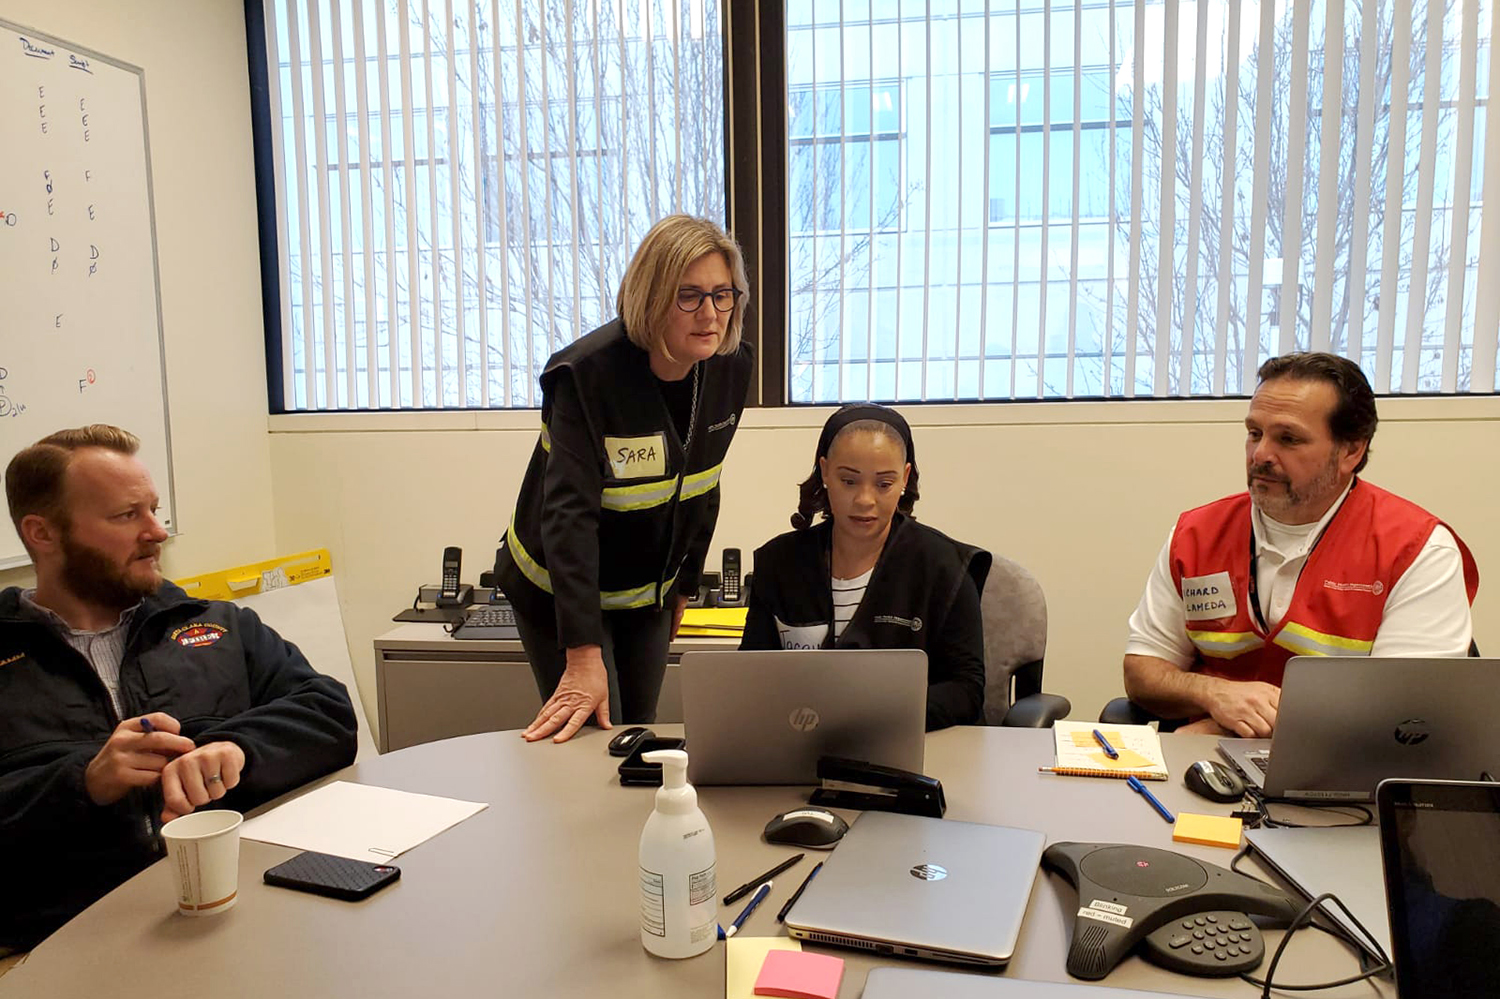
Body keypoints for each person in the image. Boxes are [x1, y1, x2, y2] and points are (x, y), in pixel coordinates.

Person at [0, 425, 359, 950]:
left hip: (254, 913)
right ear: (43, 533)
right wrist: (84, 782)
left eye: (155, 509)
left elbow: (329, 716)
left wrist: (234, 749)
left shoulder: (218, 625)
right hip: (64, 943)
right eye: (127, 515)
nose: (157, 532)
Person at [494, 214, 755, 744]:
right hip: (559, 589)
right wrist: (583, 653)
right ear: (652, 294)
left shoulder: (729, 366)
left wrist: (686, 585)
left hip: (647, 591)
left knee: (639, 733)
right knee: (591, 733)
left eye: (722, 295)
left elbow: (704, 486)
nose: (710, 314)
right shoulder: (585, 376)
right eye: (689, 296)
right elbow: (568, 516)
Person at [1122, 352, 1479, 737]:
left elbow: (1403, 713)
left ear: (1351, 451)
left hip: (1347, 778)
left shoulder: (1418, 549)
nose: (1260, 456)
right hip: (1202, 769)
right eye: (1254, 433)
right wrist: (1213, 693)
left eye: (1288, 439)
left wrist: (1225, 732)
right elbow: (1143, 671)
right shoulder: (1196, 534)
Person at [740, 404, 987, 730]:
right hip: (797, 745)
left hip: (913, 747)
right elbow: (748, 676)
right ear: (825, 472)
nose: (865, 500)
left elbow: (966, 689)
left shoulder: (945, 566)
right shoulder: (780, 562)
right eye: (849, 481)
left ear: (905, 478)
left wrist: (871, 715)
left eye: (884, 484)